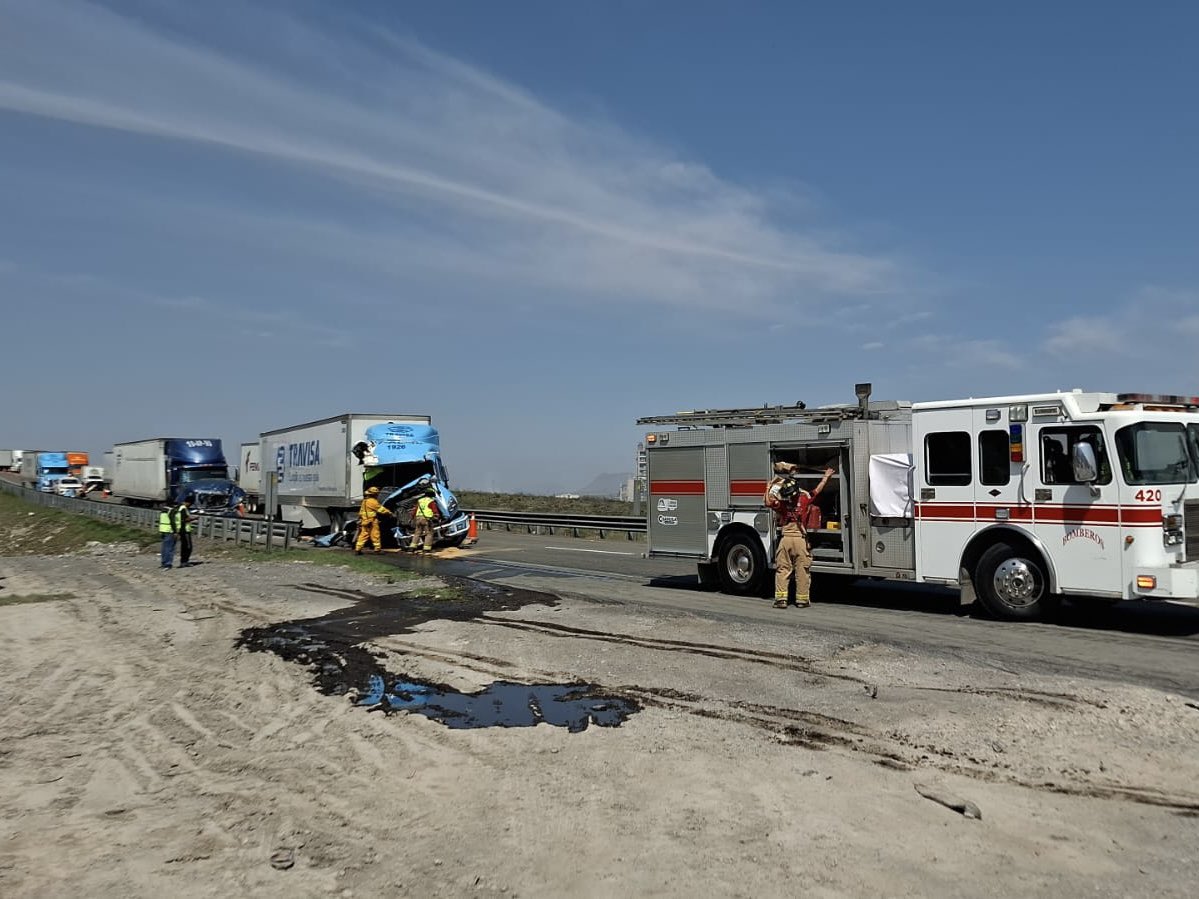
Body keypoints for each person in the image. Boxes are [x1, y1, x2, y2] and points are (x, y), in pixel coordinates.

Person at [764, 463, 834, 609]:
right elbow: (817, 491)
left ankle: (781, 600)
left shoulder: (781, 504)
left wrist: (768, 487)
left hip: (785, 540)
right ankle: (802, 600)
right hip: (800, 540)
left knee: (783, 570)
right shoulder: (804, 500)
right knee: (802, 571)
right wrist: (826, 477)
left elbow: (767, 502)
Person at [355, 485, 392, 554]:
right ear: (374, 494)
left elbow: (361, 512)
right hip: (372, 521)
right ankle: (377, 549)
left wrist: (361, 519)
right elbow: (381, 509)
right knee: (375, 535)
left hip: (364, 521)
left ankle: (358, 549)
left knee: (363, 535)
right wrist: (390, 513)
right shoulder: (373, 501)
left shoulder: (364, 501)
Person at [410, 486, 441, 553]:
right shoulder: (431, 501)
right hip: (427, 519)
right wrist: (437, 516)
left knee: (417, 533)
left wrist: (412, 517)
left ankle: (412, 547)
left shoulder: (420, 500)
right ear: (431, 495)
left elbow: (414, 510)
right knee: (429, 533)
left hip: (418, 518)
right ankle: (426, 548)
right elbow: (434, 510)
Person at [174, 496, 194, 567]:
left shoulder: (179, 507)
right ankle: (184, 561)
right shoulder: (183, 508)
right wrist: (193, 519)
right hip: (185, 530)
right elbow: (184, 520)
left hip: (181, 529)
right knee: (188, 547)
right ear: (188, 502)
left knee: (184, 546)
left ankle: (183, 561)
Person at [159, 501, 178, 569]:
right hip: (169, 530)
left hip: (163, 530)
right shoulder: (171, 511)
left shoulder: (163, 510)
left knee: (164, 548)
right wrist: (175, 531)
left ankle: (163, 562)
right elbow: (172, 521)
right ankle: (168, 564)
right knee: (169, 548)